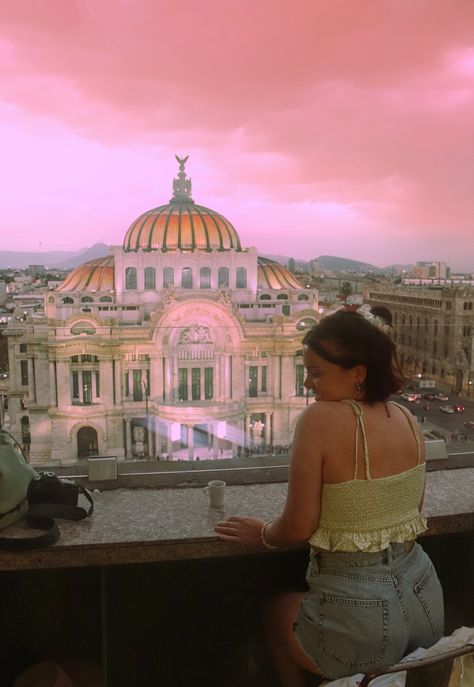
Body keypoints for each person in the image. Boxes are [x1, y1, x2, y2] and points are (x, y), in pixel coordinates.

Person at [215, 308, 444, 685]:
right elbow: (409, 515)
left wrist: (262, 533)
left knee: (274, 612)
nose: (307, 383)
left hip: (363, 614)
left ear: (358, 373)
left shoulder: (319, 419)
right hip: (425, 601)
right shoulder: (407, 419)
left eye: (317, 372)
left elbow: (299, 526)